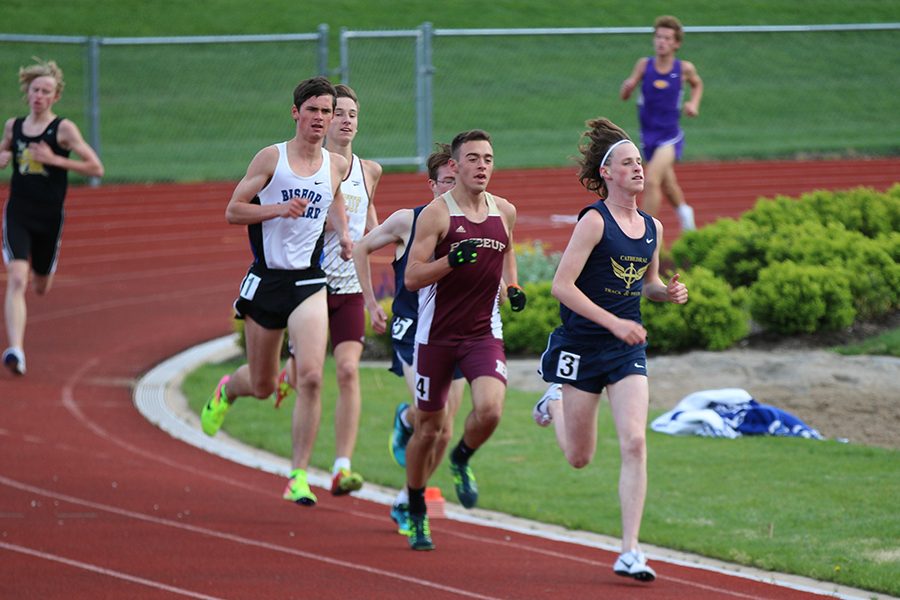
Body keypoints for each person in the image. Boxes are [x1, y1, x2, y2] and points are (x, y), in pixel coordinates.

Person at [531, 117, 688, 581]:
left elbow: (648, 284)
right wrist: (612, 321)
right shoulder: (592, 222)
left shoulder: (653, 226)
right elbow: (562, 286)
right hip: (582, 345)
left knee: (636, 442)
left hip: (626, 350)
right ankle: (553, 400)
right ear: (607, 173)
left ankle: (630, 550)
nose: (638, 168)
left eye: (639, 161)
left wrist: (668, 293)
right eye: (627, 163)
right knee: (579, 458)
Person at [200, 76, 353, 509]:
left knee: (310, 376)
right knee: (264, 385)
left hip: (308, 279)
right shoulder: (273, 157)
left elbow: (335, 196)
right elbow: (233, 210)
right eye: (314, 111)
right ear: (296, 113)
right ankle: (229, 389)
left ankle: (298, 475)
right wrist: (277, 209)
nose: (321, 119)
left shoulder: (335, 164)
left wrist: (341, 233)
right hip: (268, 281)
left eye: (328, 112)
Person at [402, 129, 524, 551]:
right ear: (455, 166)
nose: (482, 166)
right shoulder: (437, 215)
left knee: (489, 411)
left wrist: (512, 287)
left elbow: (507, 250)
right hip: (435, 337)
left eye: (488, 158)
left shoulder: (505, 211)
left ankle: (461, 458)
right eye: (473, 158)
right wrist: (450, 261)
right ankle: (416, 508)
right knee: (429, 429)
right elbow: (413, 276)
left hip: (482, 333)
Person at [351, 144, 468, 535]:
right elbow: (362, 247)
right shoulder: (408, 220)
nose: (455, 187)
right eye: (447, 181)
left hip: (456, 330)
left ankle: (407, 499)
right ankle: (406, 418)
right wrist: (371, 303)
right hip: (414, 330)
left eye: (459, 180)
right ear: (433, 185)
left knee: (445, 430)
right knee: (427, 418)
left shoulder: (476, 219)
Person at [275, 84, 382, 497]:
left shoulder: (369, 170)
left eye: (353, 113)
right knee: (306, 377)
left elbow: (369, 218)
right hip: (311, 285)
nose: (346, 120)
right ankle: (283, 379)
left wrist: (386, 240)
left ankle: (342, 466)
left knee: (348, 370)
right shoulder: (311, 168)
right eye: (339, 113)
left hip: (351, 286)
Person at [0, 58, 104, 376]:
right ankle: (16, 350)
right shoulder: (13, 126)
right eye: (35, 90)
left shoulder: (63, 129)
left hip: (49, 217)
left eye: (46, 91)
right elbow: (4, 151)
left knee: (41, 285)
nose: (39, 96)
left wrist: (55, 160)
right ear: (27, 92)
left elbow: (96, 168)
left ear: (55, 97)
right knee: (17, 278)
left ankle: (44, 272)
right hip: (18, 212)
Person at [620, 15, 703, 232]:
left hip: (670, 136)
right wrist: (627, 87)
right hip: (648, 136)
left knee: (651, 181)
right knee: (668, 184)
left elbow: (697, 84)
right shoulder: (644, 65)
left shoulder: (684, 68)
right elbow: (624, 95)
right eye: (658, 37)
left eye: (667, 38)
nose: (661, 42)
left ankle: (645, 234)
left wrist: (693, 104)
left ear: (676, 43)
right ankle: (686, 214)